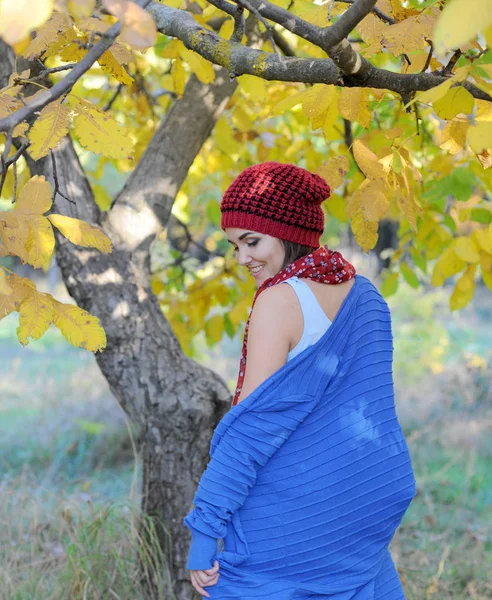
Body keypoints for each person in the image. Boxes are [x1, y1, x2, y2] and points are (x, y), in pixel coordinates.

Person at [183, 162, 416, 599]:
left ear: (291, 233)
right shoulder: (366, 295)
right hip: (370, 494)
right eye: (234, 245)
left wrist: (204, 528)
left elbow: (251, 430)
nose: (242, 259)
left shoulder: (277, 301)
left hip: (301, 507)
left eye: (252, 241)